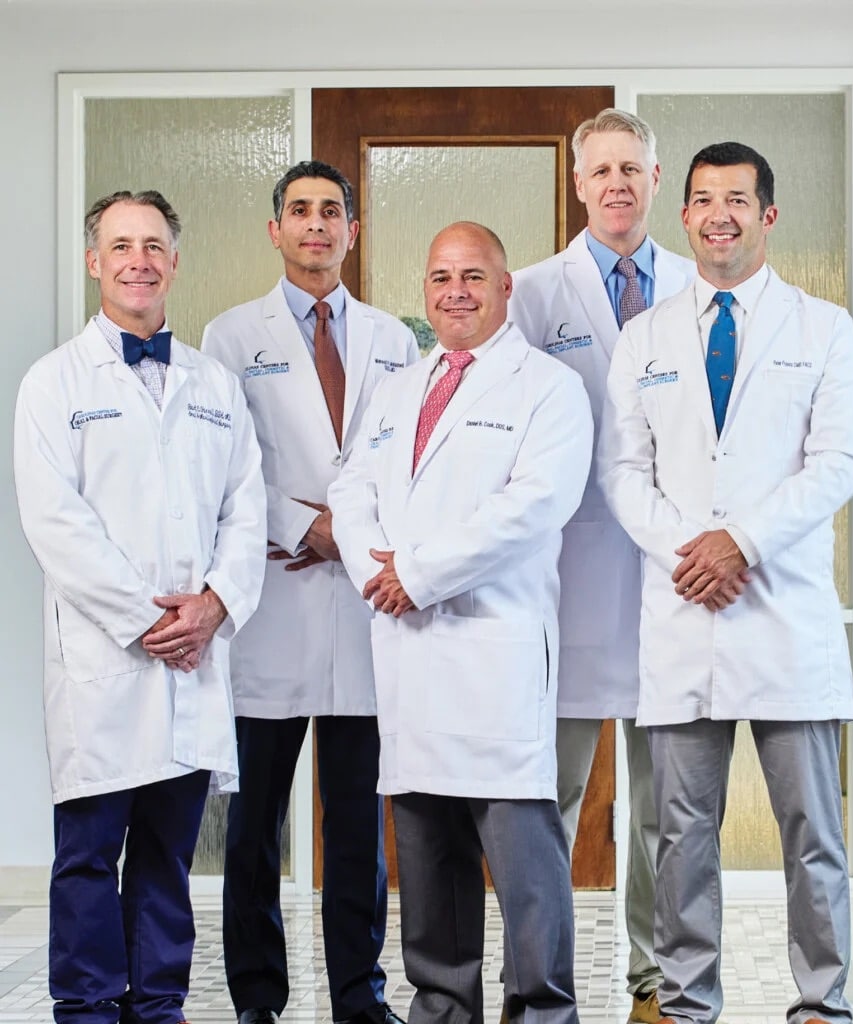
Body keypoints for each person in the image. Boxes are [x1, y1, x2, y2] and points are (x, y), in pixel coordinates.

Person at [599, 141, 853, 1024]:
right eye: (704, 199)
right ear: (683, 216)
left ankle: (823, 1003)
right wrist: (695, 551)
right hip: (685, 613)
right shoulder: (643, 337)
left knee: (813, 837)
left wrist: (740, 543)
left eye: (738, 199)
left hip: (783, 613)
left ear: (767, 216)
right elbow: (621, 474)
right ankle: (682, 1003)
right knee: (680, 838)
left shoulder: (822, 327)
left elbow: (838, 463)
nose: (720, 213)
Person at [329, 221, 593, 1024]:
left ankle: (542, 1011)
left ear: (505, 287)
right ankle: (442, 1008)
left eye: (473, 276)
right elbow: (350, 489)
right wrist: (374, 569)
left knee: (522, 863)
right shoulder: (399, 388)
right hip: (407, 654)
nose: (456, 291)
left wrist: (416, 573)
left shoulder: (546, 387)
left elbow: (534, 506)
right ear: (425, 291)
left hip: (493, 654)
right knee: (428, 850)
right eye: (441, 276)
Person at [13, 190, 267, 1024]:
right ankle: (86, 1009)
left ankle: (158, 1005)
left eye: (153, 244)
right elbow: (56, 522)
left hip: (192, 657)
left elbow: (246, 507)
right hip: (105, 664)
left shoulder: (213, 382)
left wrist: (214, 605)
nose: (138, 260)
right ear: (95, 261)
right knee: (89, 854)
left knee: (166, 853)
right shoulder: (53, 383)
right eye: (121, 244)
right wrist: (148, 620)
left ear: (173, 260)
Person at [202, 160, 418, 1024]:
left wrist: (351, 533)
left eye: (332, 212)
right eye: (300, 211)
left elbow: (402, 460)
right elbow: (224, 468)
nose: (316, 225)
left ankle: (358, 996)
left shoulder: (395, 338)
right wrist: (309, 527)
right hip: (273, 606)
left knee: (357, 825)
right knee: (253, 826)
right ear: (276, 230)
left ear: (353, 231)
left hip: (362, 606)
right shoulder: (228, 337)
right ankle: (257, 996)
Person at [508, 108, 694, 1024]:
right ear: (577, 185)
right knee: (545, 797)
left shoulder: (700, 287)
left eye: (632, 168)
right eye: (601, 171)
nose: (617, 184)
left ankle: (653, 985)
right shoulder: (534, 294)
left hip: (670, 577)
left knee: (666, 808)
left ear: (655, 180)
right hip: (566, 581)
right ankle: (534, 983)